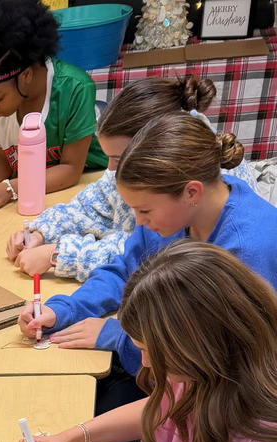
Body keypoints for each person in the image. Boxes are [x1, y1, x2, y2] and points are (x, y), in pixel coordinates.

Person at [22, 242, 277, 442]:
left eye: (149, 351)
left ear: (197, 348)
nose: (144, 362)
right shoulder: (206, 375)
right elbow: (164, 408)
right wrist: (68, 438)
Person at [17, 114, 277, 373]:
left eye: (145, 211)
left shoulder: (247, 251)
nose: (139, 222)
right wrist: (65, 309)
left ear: (191, 193)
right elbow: (125, 271)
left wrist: (120, 337)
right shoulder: (183, 211)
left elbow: (220, 358)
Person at [6, 74, 258, 280]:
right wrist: (41, 232)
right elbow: (90, 205)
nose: (110, 169)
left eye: (118, 159)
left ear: (156, 148)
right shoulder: (147, 163)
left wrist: (58, 254)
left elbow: (147, 256)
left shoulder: (194, 182)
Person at [0, 0, 106, 212]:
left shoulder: (76, 88)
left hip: (87, 187)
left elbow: (70, 170)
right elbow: (3, 160)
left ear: (26, 76)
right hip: (35, 195)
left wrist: (10, 189)